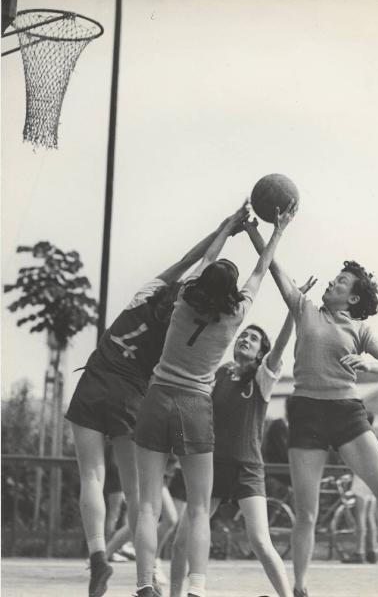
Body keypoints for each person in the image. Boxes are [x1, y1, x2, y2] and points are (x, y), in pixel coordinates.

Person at [245, 220, 378, 597]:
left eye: (341, 282)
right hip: (305, 413)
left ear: (352, 298)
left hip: (346, 412)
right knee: (306, 511)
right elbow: (273, 267)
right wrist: (261, 232)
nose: (333, 283)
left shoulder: (360, 329)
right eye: (335, 278)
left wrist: (371, 364)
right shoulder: (305, 309)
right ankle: (301, 589)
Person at [65, 214, 245, 597]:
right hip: (133, 394)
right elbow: (202, 273)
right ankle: (150, 575)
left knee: (92, 477)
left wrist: (223, 231)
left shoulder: (152, 293)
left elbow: (190, 260)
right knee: (139, 497)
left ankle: (99, 555)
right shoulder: (184, 318)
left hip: (96, 377)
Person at [133, 202, 297, 597]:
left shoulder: (184, 299)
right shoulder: (234, 315)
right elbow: (260, 271)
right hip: (194, 406)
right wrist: (277, 231)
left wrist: (229, 227)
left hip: (158, 397)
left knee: (148, 506)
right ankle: (197, 588)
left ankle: (143, 584)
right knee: (197, 509)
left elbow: (208, 257)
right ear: (231, 292)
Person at [169, 276, 315, 597]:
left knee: (260, 541)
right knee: (181, 540)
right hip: (213, 468)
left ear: (261, 352)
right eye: (243, 335)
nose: (246, 339)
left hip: (247, 469)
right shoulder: (220, 373)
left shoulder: (262, 378)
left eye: (253, 338)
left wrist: (294, 308)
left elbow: (280, 347)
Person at [342, 411, 378, 565]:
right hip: (373, 479)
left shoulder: (361, 436)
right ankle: (372, 551)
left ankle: (359, 552)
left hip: (362, 478)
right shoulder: (373, 436)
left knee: (361, 518)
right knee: (370, 518)